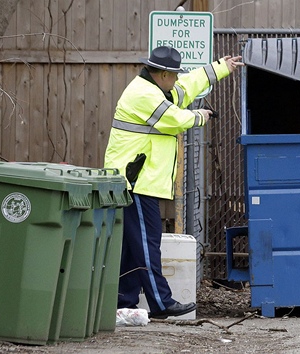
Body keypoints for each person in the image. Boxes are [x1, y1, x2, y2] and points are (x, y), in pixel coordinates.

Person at [104, 46, 244, 319]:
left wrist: (219, 68)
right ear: (164, 74)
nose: (178, 79)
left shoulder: (157, 88)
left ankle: (124, 303)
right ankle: (161, 303)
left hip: (137, 181)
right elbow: (174, 120)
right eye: (175, 75)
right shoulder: (143, 94)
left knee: (135, 246)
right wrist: (199, 117)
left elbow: (187, 87)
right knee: (147, 244)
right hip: (135, 182)